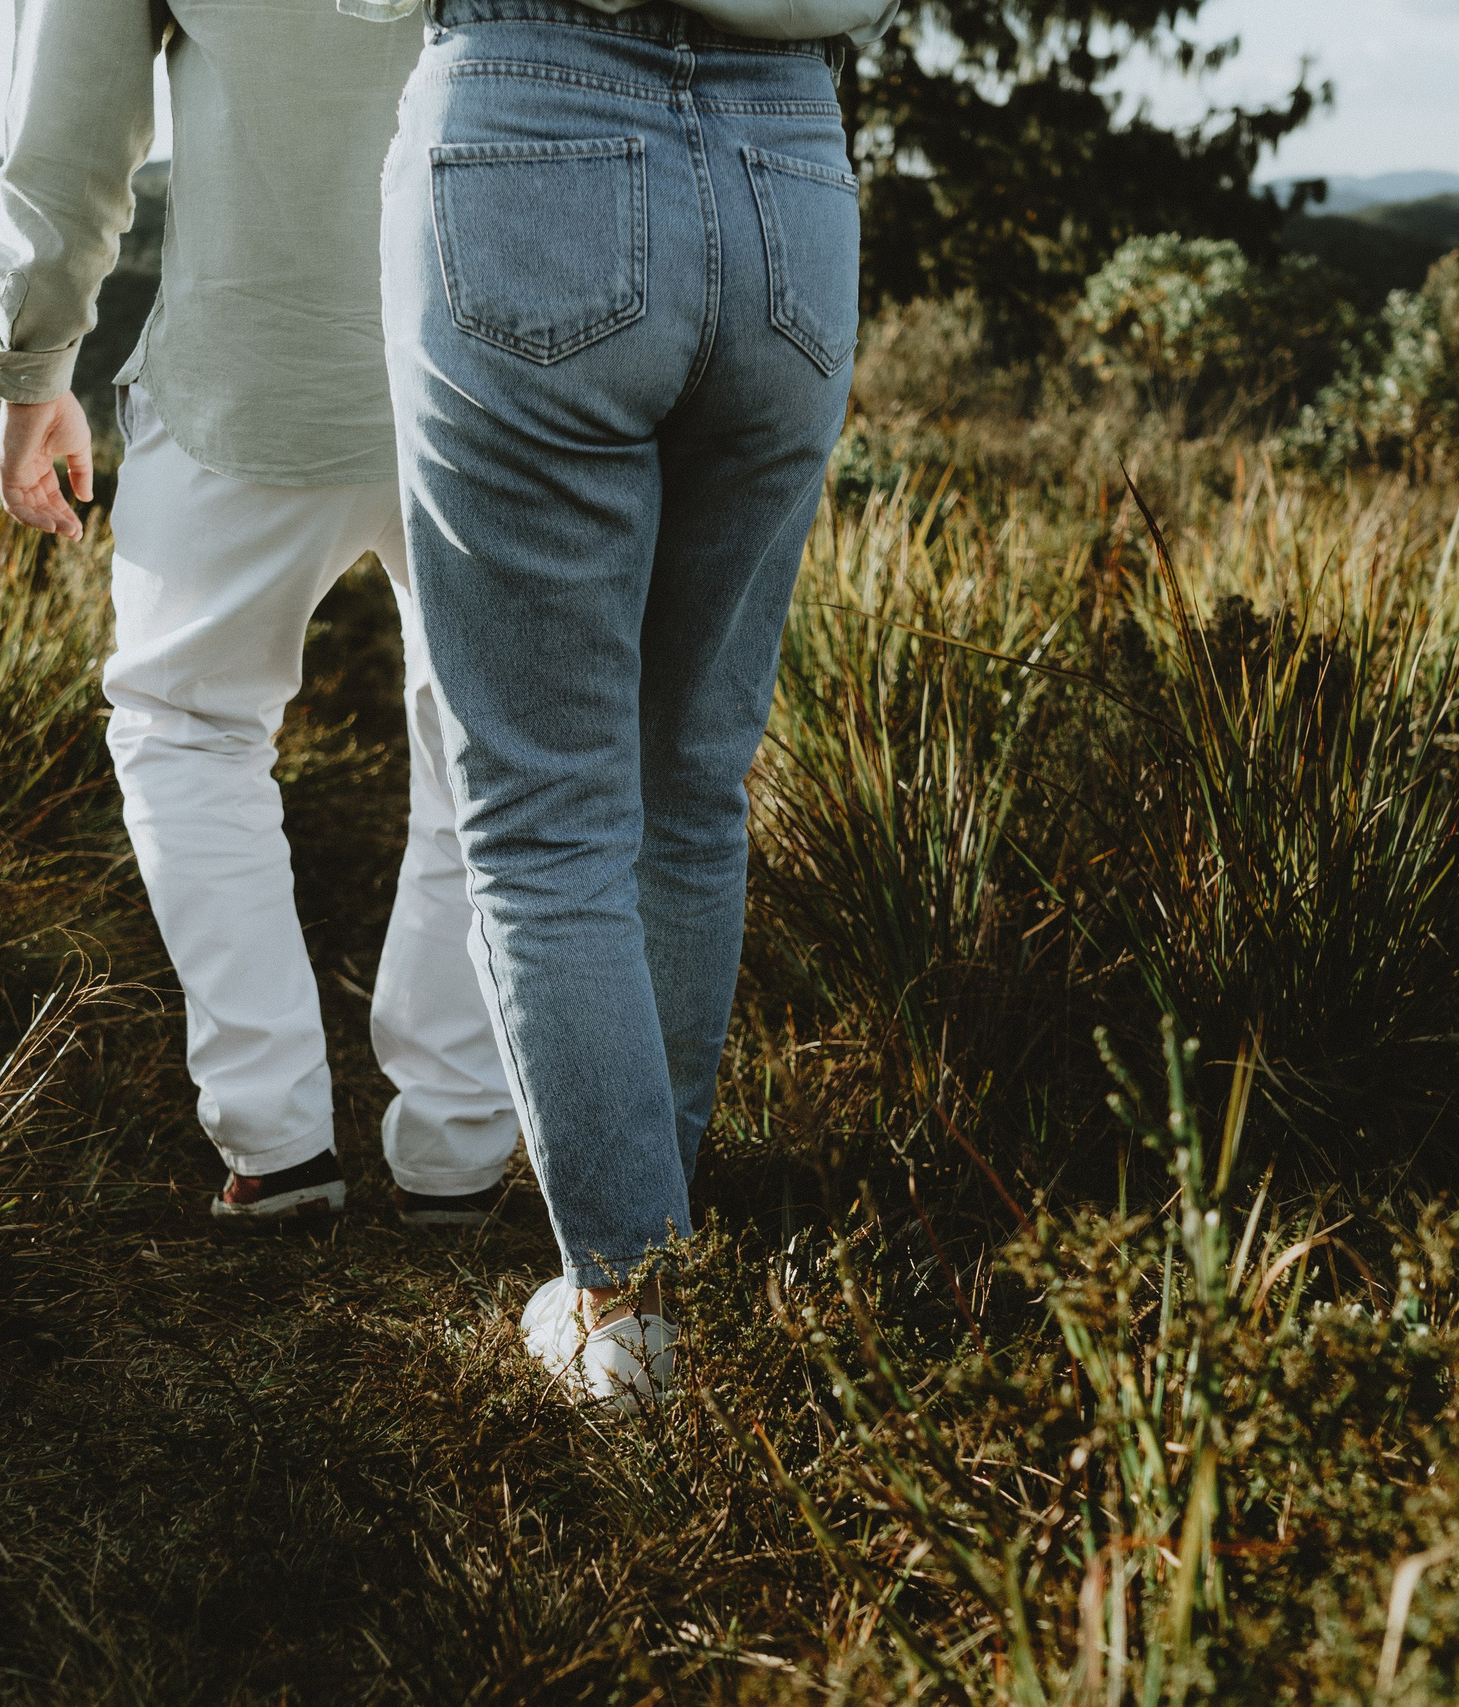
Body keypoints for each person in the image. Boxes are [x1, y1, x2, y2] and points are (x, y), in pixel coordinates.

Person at [363, 0, 891, 1408]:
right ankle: (666, 1267)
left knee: (546, 810)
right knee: (692, 778)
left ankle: (634, 1312)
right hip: (791, 156)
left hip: (527, 130)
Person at [0, 0, 520, 1227]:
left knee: (185, 725)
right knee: (482, 751)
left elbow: (67, 133)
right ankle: (457, 1153)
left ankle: (273, 1144)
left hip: (254, 365)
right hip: (501, 362)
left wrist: (31, 369)